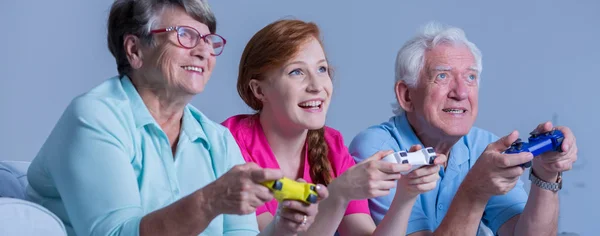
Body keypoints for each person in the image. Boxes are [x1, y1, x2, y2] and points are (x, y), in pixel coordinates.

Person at [25, 1, 326, 235]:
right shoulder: (95, 117)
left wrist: (282, 229)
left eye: (209, 41)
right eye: (185, 36)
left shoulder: (217, 140)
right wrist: (211, 200)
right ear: (134, 50)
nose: (204, 51)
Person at [349, 22, 578, 236]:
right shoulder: (379, 150)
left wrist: (545, 174)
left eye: (470, 77)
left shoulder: (482, 145)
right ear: (406, 95)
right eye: (442, 76)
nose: (460, 92)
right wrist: (475, 191)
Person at [221, 19, 447, 236]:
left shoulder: (332, 145)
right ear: (259, 91)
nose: (317, 86)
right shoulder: (229, 143)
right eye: (296, 72)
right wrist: (340, 193)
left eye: (322, 69)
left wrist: (406, 195)